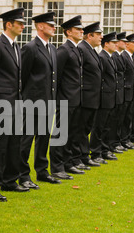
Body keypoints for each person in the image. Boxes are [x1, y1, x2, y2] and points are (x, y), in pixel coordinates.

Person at [0, 8, 31, 203]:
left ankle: (10, 180)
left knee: (14, 143)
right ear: (8, 24)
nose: (23, 26)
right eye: (19, 23)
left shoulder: (15, 47)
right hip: (1, 104)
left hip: (16, 103)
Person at [19, 12, 60, 185]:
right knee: (26, 140)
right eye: (51, 25)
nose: (54, 27)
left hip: (48, 101)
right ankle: (22, 175)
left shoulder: (52, 49)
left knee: (44, 138)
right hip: (32, 102)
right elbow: (23, 76)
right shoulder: (30, 48)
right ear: (40, 26)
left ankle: (42, 171)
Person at [49, 15, 86, 181]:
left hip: (76, 98)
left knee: (72, 133)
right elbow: (57, 76)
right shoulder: (64, 50)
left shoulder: (76, 49)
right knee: (60, 134)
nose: (81, 31)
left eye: (81, 29)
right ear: (69, 32)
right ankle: (57, 167)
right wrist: (58, 98)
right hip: (65, 99)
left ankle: (68, 162)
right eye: (78, 29)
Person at [77, 22, 105, 166]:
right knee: (82, 129)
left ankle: (83, 156)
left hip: (93, 97)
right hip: (86, 97)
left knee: (86, 128)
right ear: (90, 35)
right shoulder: (82, 49)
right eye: (98, 34)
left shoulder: (92, 50)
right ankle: (83, 157)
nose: (101, 37)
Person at [96, 31, 119, 161]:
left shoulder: (109, 57)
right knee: (100, 127)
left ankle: (105, 149)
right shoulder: (102, 57)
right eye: (113, 43)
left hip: (110, 97)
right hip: (104, 97)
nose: (116, 45)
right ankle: (96, 152)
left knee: (107, 126)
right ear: (106, 44)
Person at [109, 31, 128, 153]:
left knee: (117, 120)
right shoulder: (113, 56)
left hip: (118, 92)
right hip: (46, 99)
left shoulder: (117, 56)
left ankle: (113, 143)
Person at [120, 33, 134, 150]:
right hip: (125, 92)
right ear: (127, 45)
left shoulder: (131, 57)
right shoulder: (124, 56)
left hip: (131, 92)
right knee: (122, 118)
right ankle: (121, 140)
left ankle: (125, 139)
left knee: (128, 117)